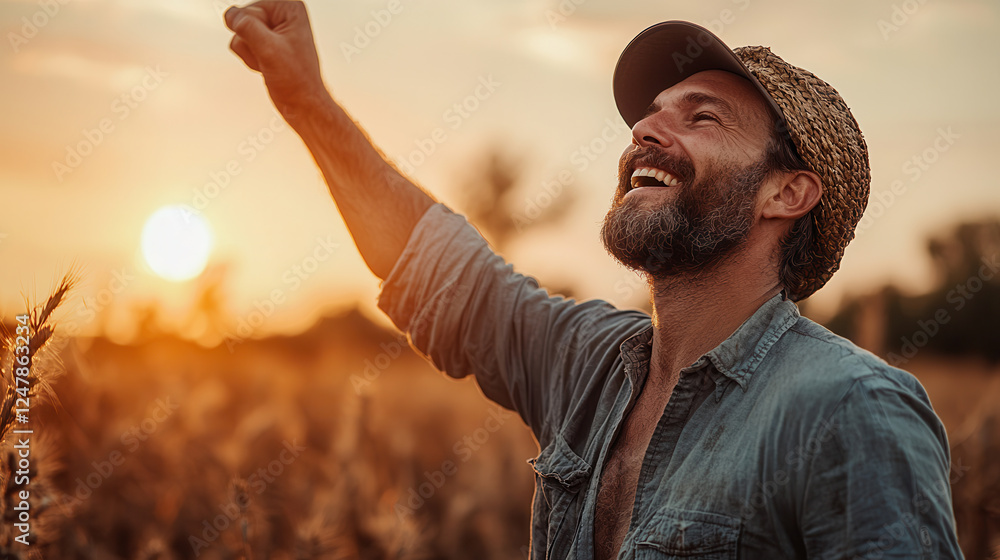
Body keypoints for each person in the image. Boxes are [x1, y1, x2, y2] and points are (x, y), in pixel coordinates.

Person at [224, 3, 964, 558]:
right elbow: (438, 267)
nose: (645, 130)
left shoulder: (849, 411)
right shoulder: (591, 367)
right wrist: (306, 103)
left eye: (702, 118)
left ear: (785, 194)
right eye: (649, 116)